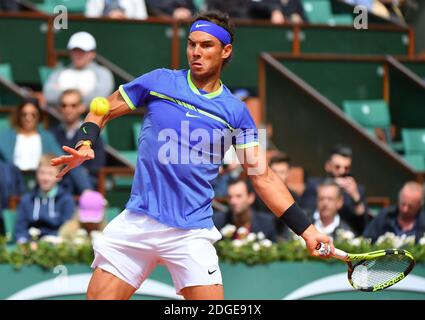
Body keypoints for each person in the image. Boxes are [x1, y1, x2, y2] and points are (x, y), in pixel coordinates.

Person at [51, 10, 333, 300]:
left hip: (190, 232)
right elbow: (103, 110)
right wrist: (86, 141)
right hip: (139, 220)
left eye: (206, 45)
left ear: (226, 51)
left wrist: (308, 231)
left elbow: (263, 176)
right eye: (191, 44)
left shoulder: (236, 112)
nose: (196, 52)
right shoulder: (159, 82)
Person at [301, 144, 369, 236]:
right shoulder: (314, 185)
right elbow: (305, 213)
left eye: (346, 168)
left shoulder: (357, 191)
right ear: (328, 166)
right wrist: (332, 185)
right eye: (337, 167)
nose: (342, 171)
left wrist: (356, 197)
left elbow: (362, 225)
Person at [14, 154, 75, 244]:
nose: (45, 178)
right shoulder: (27, 200)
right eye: (42, 173)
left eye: (50, 174)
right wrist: (23, 241)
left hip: (55, 244)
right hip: (31, 243)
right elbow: (20, 227)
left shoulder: (66, 200)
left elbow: (66, 228)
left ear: (60, 176)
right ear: (36, 174)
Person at [50, 89, 106, 186]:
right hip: (57, 181)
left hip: (85, 180)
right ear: (59, 108)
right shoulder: (52, 133)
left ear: (82, 107)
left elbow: (98, 166)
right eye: (64, 105)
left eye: (73, 105)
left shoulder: (92, 135)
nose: (68, 109)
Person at [43, 31, 114, 106]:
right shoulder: (59, 72)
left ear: (92, 54)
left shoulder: (103, 73)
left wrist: (64, 93)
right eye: (75, 51)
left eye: (82, 51)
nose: (77, 55)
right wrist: (82, 94)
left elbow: (101, 96)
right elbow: (48, 95)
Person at [213, 178, 278, 242]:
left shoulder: (265, 222)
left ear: (251, 198)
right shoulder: (218, 221)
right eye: (230, 197)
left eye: (238, 196)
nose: (233, 201)